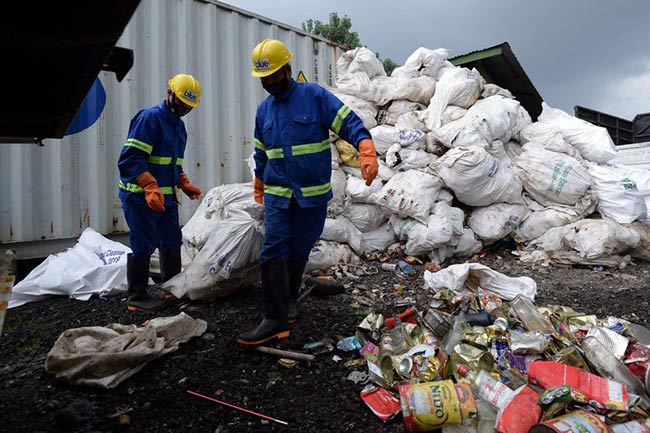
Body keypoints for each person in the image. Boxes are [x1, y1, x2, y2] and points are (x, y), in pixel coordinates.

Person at [237, 39, 379, 345]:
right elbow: (262, 150)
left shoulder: (314, 96)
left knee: (299, 249)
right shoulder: (264, 111)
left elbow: (347, 121)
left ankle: (289, 300)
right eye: (264, 79)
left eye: (274, 76)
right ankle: (274, 319)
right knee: (273, 249)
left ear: (287, 69)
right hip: (278, 195)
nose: (270, 83)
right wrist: (259, 181)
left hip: (311, 196)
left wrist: (365, 147)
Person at [117, 74, 203, 312]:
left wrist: (182, 181)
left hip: (165, 198)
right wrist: (149, 186)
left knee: (171, 240)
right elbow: (130, 159)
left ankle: (172, 289)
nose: (184, 109)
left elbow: (170, 162)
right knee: (143, 243)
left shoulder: (179, 127)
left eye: (189, 107)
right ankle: (136, 296)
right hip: (138, 196)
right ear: (169, 94)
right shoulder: (150, 119)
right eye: (181, 103)